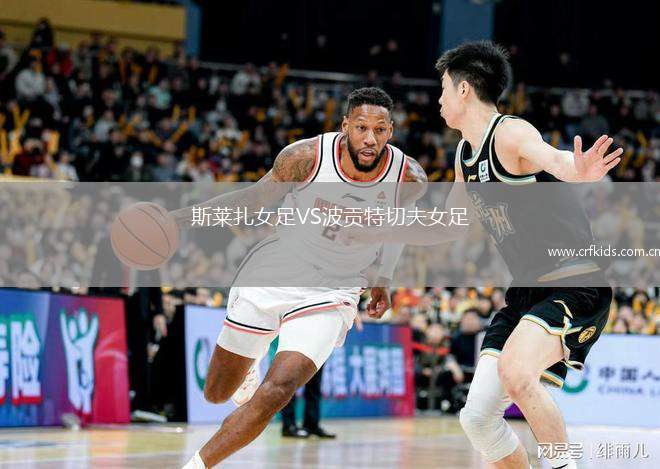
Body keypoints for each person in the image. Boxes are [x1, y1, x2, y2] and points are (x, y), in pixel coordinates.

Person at [343, 42, 622, 469]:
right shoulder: (464, 155)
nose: (438, 99)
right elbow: (449, 225)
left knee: (516, 372)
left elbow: (555, 159)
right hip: (527, 293)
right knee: (477, 419)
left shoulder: (509, 133)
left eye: (443, 88)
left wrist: (578, 169)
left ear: (464, 90)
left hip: (574, 281)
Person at [178, 87, 427, 468]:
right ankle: (251, 360)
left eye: (379, 130)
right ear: (345, 126)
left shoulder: (408, 178)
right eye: (361, 128)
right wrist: (178, 220)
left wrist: (384, 277)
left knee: (278, 389)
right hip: (277, 267)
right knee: (216, 393)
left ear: (390, 131)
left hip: (336, 287)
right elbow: (251, 201)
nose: (370, 138)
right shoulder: (305, 157)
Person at [280, 365, 335, 439]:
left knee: (314, 385)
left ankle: (311, 425)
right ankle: (289, 426)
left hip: (317, 357)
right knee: (291, 381)